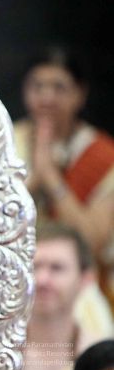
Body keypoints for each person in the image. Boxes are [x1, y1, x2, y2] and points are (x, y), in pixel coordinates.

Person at [14, 46, 114, 254]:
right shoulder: (6, 142)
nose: (47, 98)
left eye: (59, 88)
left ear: (80, 94)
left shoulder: (104, 155)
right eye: (37, 86)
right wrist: (35, 180)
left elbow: (91, 243)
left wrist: (51, 177)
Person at [22, 223, 105, 370]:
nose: (42, 279)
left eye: (56, 268)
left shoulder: (100, 356)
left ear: (86, 279)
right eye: (35, 266)